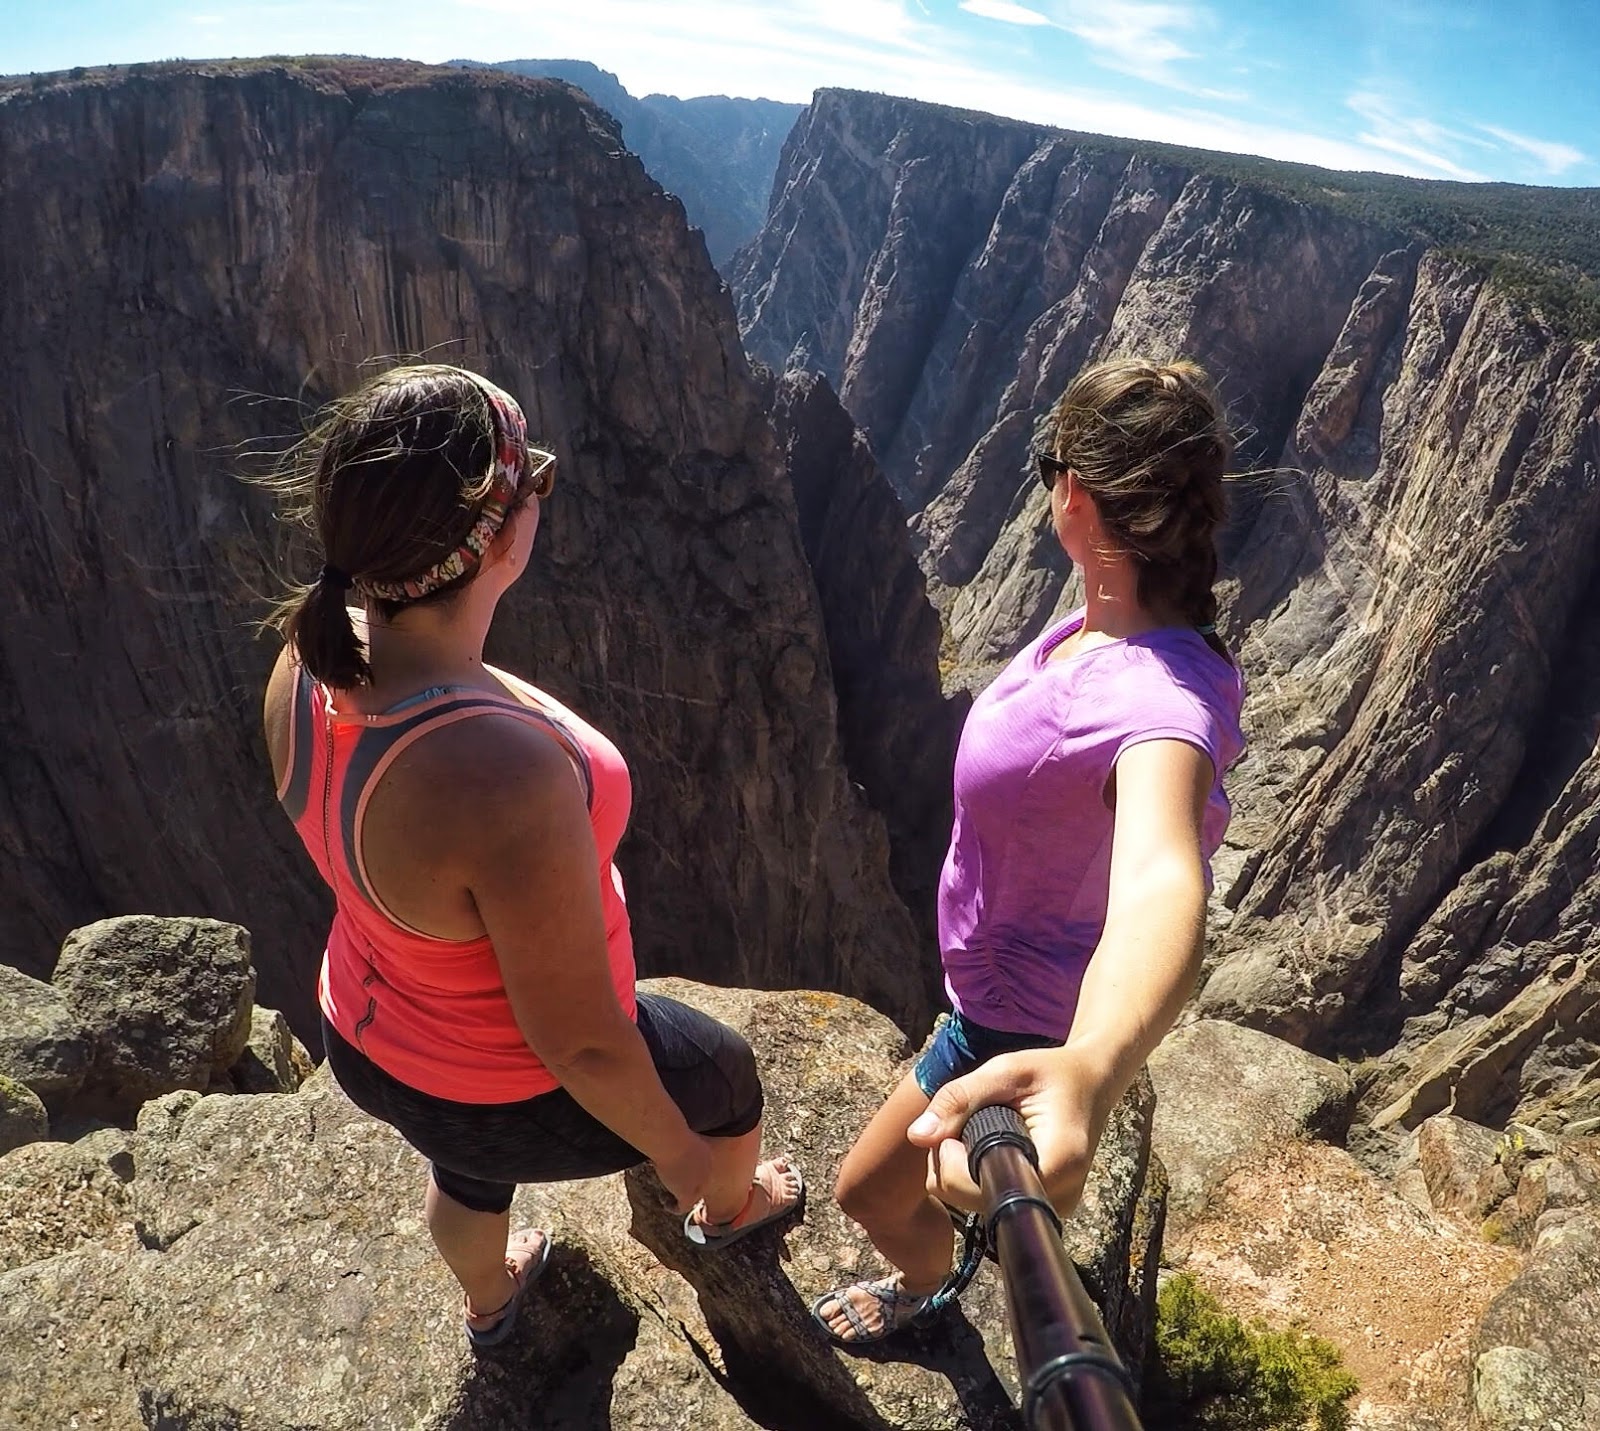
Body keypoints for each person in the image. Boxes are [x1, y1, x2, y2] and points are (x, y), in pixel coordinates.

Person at [260, 363, 802, 1350]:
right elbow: (583, 1044)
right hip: (495, 1086)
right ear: (498, 533)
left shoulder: (310, 656)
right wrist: (683, 1159)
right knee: (724, 1074)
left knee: (463, 1173)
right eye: (534, 480)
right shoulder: (496, 775)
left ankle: (491, 1303)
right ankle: (735, 1212)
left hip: (362, 1034)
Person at [813, 356, 1246, 1345]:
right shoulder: (1111, 631)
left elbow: (1161, 876)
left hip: (1015, 1034)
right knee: (892, 1192)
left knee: (870, 1197)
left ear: (1076, 498)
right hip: (997, 1001)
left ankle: (937, 1299)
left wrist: (1088, 1069)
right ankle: (962, 1266)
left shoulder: (1154, 701)